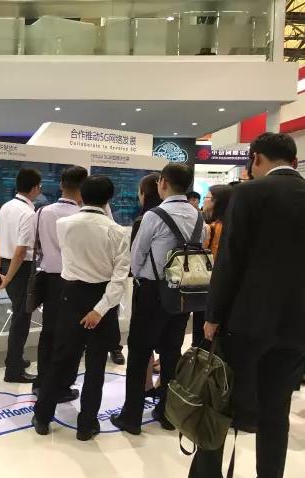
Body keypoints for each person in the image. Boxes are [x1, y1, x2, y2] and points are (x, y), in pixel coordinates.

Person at [190, 133, 305, 478]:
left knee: (219, 401)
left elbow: (231, 259)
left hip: (246, 321)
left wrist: (213, 315)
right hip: (297, 326)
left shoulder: (249, 193)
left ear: (255, 159)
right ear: (294, 162)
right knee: (276, 411)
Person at [32, 175, 131, 440]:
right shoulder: (117, 231)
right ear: (108, 199)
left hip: (71, 296)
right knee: (96, 366)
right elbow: (119, 278)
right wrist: (100, 309)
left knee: (60, 358)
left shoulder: (64, 224)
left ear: (80, 196)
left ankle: (42, 416)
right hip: (103, 299)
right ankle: (86, 425)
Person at [112, 163, 201, 434]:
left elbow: (136, 257)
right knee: (172, 352)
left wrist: (144, 279)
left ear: (163, 183)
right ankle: (167, 414)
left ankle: (131, 417)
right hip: (184, 291)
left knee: (139, 353)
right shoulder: (198, 216)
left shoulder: (154, 215)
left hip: (153, 291)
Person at [30, 166, 88, 403]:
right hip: (76, 281)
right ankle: (62, 385)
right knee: (72, 337)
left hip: (50, 280)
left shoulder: (42, 211)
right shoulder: (84, 215)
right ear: (83, 187)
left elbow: (35, 244)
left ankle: (42, 382)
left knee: (49, 333)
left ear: (62, 184)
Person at [0, 168, 42, 383]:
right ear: (34, 188)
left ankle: (16, 360)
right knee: (21, 320)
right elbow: (21, 251)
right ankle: (13, 371)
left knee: (19, 317)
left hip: (6, 265)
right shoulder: (28, 213)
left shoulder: (6, 206)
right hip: (20, 269)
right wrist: (10, 277)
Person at [131, 173, 163, 396]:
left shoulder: (145, 220)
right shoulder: (192, 215)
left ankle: (144, 386)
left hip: (147, 287)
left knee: (142, 342)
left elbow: (135, 259)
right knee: (169, 344)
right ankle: (163, 390)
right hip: (177, 289)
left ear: (144, 193)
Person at [191, 184, 233, 347]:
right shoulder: (235, 226)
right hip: (227, 290)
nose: (204, 202)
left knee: (202, 337)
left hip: (208, 287)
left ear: (217, 202)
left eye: (207, 198)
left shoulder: (211, 228)